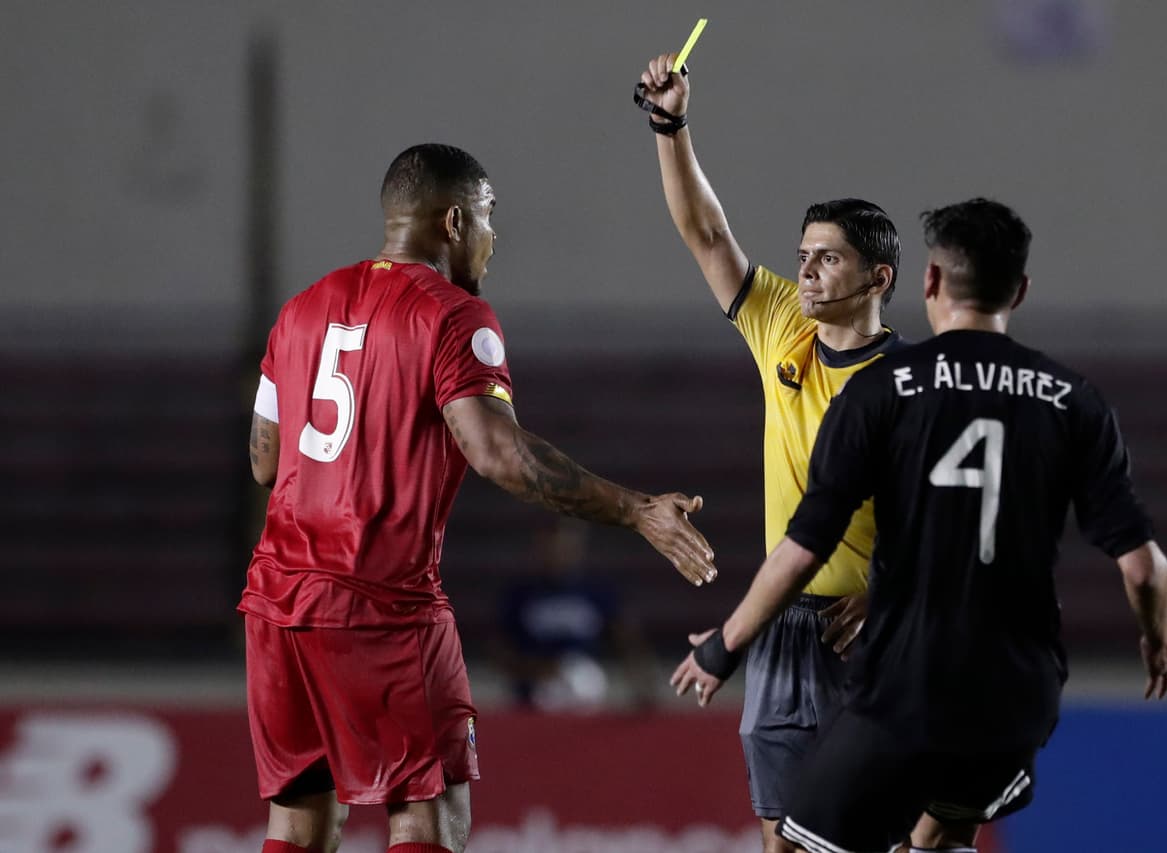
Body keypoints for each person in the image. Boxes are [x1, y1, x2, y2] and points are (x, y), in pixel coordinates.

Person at [241, 143, 717, 853]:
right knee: (430, 816)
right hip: (381, 603)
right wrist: (636, 508)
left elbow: (264, 458)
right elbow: (499, 454)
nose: (496, 237)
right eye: (491, 216)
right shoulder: (453, 315)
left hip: (276, 605)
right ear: (455, 220)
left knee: (299, 822)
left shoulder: (300, 309)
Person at [671, 198, 1167, 853]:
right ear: (1020, 290)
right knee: (939, 838)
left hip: (907, 679)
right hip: (1018, 690)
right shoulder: (1073, 398)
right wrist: (1158, 634)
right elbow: (1144, 567)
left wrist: (724, 645)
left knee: (800, 844)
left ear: (929, 283)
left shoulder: (888, 389)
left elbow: (804, 547)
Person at [637, 53, 907, 850]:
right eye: (803, 253)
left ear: (878, 275)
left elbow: (948, 512)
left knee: (879, 836)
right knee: (784, 840)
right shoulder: (783, 326)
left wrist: (893, 589)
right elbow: (706, 231)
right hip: (784, 626)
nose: (807, 268)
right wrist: (669, 125)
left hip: (874, 632)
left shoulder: (911, 381)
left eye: (829, 257)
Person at [494, 518, 658, 710]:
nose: (557, 553)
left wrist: (643, 686)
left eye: (564, 546)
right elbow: (500, 650)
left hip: (584, 684)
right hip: (534, 692)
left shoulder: (595, 591)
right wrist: (534, 670)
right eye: (551, 546)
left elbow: (628, 640)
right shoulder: (521, 594)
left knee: (581, 680)